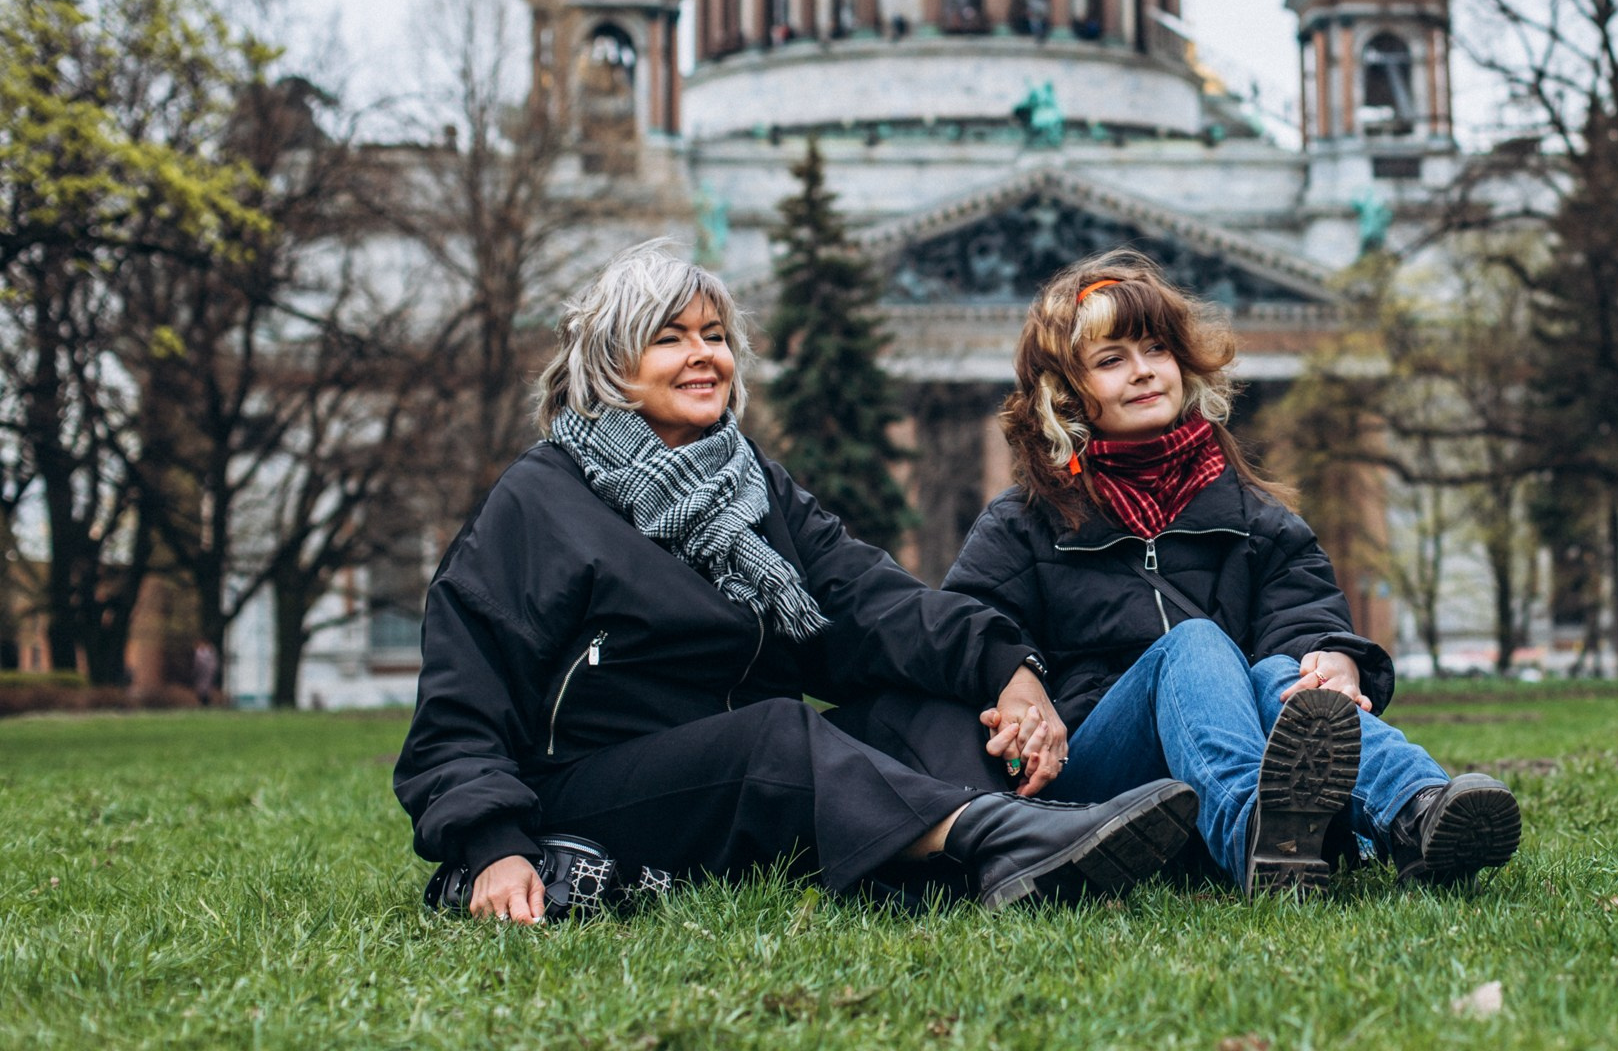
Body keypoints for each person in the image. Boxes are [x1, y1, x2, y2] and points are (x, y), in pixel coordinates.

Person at [392, 240, 1195, 920]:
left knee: (929, 712)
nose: (705, 355)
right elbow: (461, 704)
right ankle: (1000, 843)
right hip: (594, 790)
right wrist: (493, 845)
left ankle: (1026, 849)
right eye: (670, 339)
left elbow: (871, 604)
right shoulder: (541, 499)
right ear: (609, 366)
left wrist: (1006, 669)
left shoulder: (749, 486)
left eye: (715, 336)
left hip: (749, 779)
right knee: (776, 734)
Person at [943, 252, 1521, 897]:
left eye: (1155, 349)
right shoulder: (1023, 521)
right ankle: (1259, 834)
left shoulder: (1255, 515)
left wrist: (1331, 662)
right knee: (1195, 642)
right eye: (1111, 361)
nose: (1142, 372)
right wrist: (1018, 677)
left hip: (1231, 745)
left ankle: (1417, 812)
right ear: (1065, 395)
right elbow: (966, 623)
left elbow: (1305, 615)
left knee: (1283, 674)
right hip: (1096, 775)